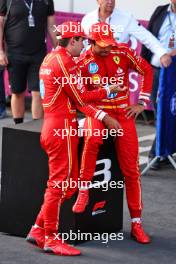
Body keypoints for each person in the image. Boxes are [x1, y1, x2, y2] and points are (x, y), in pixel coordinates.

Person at [26, 21, 122, 256]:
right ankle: (51, 238)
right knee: (58, 186)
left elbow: (76, 96)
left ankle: (38, 229)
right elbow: (81, 100)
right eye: (83, 40)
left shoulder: (52, 58)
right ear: (73, 41)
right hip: (61, 129)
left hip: (56, 126)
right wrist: (107, 103)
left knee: (66, 186)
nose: (85, 44)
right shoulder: (65, 62)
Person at [72, 22, 153, 244]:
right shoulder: (82, 62)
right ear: (90, 42)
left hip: (123, 114)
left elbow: (146, 69)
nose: (107, 48)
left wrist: (142, 103)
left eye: (109, 43)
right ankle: (84, 189)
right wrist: (101, 116)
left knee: (131, 169)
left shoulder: (122, 51)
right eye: (102, 45)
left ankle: (137, 223)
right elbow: (79, 100)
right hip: (96, 112)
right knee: (93, 137)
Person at [0, 0, 58, 124]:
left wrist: (59, 49)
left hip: (38, 54)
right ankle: (19, 127)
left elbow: (51, 25)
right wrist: (0, 51)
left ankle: (36, 129)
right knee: (17, 92)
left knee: (38, 92)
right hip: (14, 54)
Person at [81, 0, 172, 68]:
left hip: (116, 70)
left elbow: (146, 36)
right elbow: (82, 45)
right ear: (98, 1)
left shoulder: (126, 18)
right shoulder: (88, 19)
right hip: (92, 69)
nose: (110, 2)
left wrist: (162, 53)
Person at [141, 0, 176, 169]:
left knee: (171, 111)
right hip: (156, 70)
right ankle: (160, 153)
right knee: (159, 111)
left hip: (174, 71)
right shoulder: (160, 11)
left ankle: (158, 153)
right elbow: (149, 35)